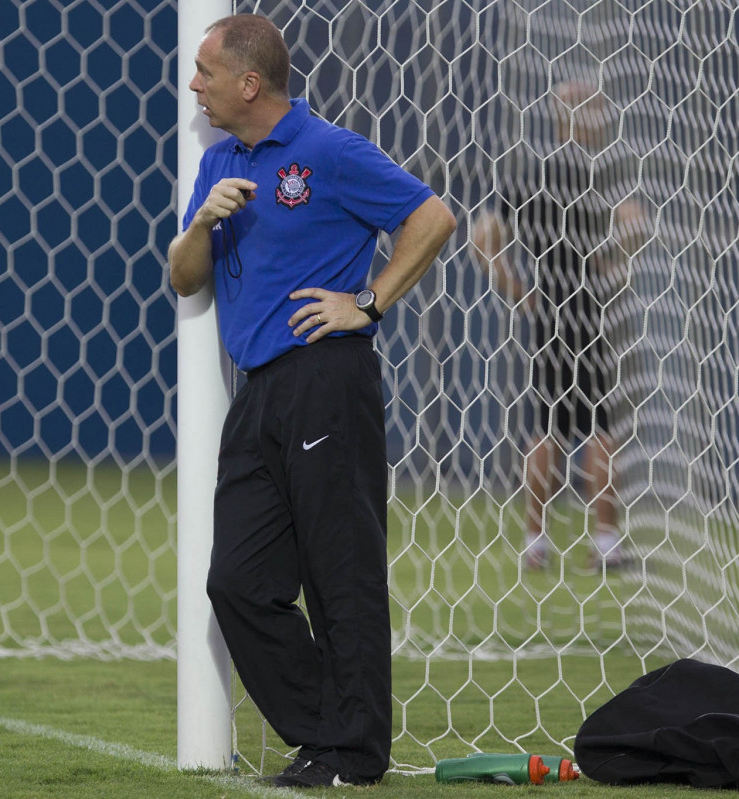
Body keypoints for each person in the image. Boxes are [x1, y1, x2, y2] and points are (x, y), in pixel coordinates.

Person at [167, 14, 456, 789]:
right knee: (236, 581)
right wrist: (202, 221)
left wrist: (368, 299)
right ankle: (327, 731)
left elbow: (433, 218)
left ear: (249, 83)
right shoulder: (221, 159)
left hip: (327, 381)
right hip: (257, 392)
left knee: (340, 572)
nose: (193, 84)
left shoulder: (328, 151)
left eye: (204, 71)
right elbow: (183, 277)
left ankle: (350, 754)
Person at [470, 80, 647, 571]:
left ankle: (536, 544)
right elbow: (636, 226)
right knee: (599, 428)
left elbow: (482, 238)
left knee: (547, 427)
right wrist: (614, 264)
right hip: (588, 312)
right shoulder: (600, 176)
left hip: (548, 312)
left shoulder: (534, 175)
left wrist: (521, 292)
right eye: (596, 108)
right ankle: (606, 543)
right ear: (574, 116)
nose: (606, 116)